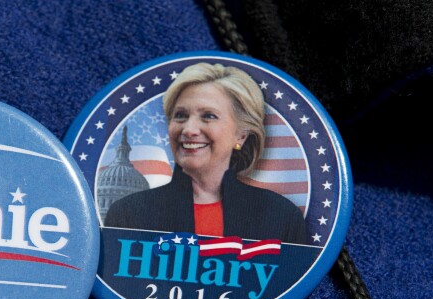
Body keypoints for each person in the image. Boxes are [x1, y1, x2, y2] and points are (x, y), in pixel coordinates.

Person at [105, 63, 307, 243]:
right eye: (180, 116)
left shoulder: (281, 217)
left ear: (241, 136)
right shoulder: (128, 214)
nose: (189, 129)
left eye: (208, 116)